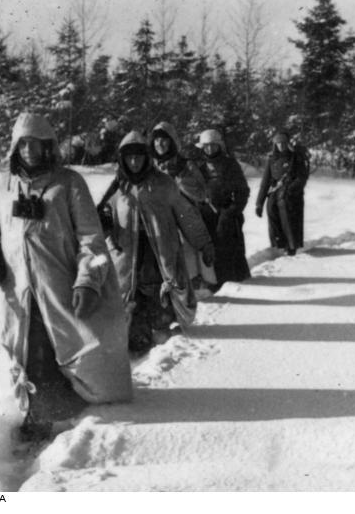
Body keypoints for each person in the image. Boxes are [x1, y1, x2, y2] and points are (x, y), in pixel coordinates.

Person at [0, 112, 132, 442]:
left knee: (63, 351)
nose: (30, 150)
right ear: (15, 147)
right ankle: (40, 415)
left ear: (49, 146)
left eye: (37, 143)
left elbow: (91, 238)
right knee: (28, 352)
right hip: (17, 290)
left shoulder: (69, 183)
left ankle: (51, 416)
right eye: (24, 143)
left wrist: (88, 280)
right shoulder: (3, 184)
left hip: (58, 287)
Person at [101, 131, 215, 356]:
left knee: (159, 302)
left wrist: (204, 243)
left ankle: (162, 340)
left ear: (146, 157)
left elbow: (186, 215)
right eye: (129, 157)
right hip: (127, 259)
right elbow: (100, 217)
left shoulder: (164, 184)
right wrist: (105, 226)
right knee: (131, 303)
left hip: (158, 257)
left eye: (139, 157)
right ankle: (138, 343)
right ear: (122, 159)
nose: (134, 162)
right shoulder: (117, 187)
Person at [150, 121, 216, 291]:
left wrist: (180, 185)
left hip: (186, 218)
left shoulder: (186, 165)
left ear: (172, 141)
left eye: (164, 140)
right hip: (158, 219)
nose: (160, 144)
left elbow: (203, 193)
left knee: (189, 258)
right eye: (156, 140)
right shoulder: (149, 166)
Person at [196, 129, 252, 288]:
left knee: (227, 250)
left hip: (227, 214)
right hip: (206, 215)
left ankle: (232, 283)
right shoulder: (198, 167)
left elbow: (242, 191)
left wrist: (231, 212)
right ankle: (211, 283)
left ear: (219, 146)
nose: (209, 150)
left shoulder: (230, 164)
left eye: (213, 146)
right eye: (206, 146)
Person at [255, 131, 310, 255]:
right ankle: (279, 244)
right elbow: (265, 182)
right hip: (276, 193)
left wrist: (290, 189)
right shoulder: (272, 159)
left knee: (287, 215)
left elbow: (302, 177)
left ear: (288, 143)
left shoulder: (296, 158)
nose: (281, 146)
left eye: (283, 143)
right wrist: (259, 203)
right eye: (278, 143)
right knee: (272, 210)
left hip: (292, 195)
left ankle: (291, 246)